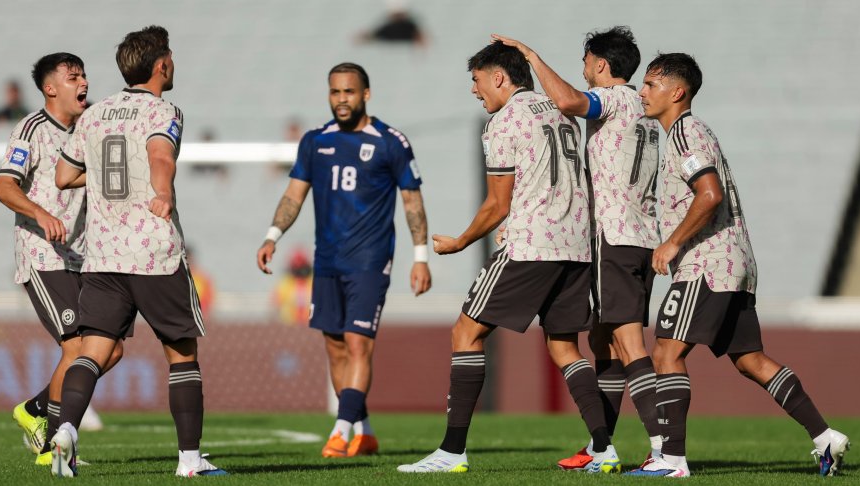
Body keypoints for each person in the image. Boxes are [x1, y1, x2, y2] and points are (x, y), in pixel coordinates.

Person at [626, 53, 849, 478]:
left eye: (651, 85)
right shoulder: (692, 132)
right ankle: (825, 438)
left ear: (678, 92)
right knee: (750, 360)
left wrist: (672, 243)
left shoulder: (684, 134)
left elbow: (708, 195)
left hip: (707, 264)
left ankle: (671, 460)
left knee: (665, 351)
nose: (643, 92)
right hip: (736, 261)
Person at [398, 43, 616, 474]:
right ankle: (604, 449)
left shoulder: (503, 122)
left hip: (531, 245)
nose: (475, 91)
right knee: (563, 347)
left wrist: (460, 241)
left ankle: (451, 452)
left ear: (499, 77)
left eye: (477, 81)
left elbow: (497, 205)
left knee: (465, 332)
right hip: (576, 247)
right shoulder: (561, 113)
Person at [52, 25, 224, 478]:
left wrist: (114, 182)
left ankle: (67, 429)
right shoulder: (163, 110)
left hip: (103, 254)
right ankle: (189, 460)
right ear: (162, 64)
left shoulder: (95, 114)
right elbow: (160, 156)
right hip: (152, 251)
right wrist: (161, 191)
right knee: (181, 353)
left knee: (92, 351)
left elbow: (63, 177)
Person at [494, 27, 663, 469]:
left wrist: (531, 55)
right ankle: (600, 446)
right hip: (641, 236)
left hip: (614, 237)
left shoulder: (618, 98)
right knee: (604, 342)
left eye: (586, 62)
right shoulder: (645, 110)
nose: (583, 69)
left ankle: (666, 451)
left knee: (628, 343)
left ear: (602, 66)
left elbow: (570, 102)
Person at [256, 62, 432, 458]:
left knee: (357, 343)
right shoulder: (315, 141)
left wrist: (420, 257)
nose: (341, 99)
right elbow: (293, 195)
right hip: (328, 260)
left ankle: (339, 430)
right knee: (334, 346)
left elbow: (412, 203)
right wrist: (272, 236)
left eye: (348, 92)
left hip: (370, 260)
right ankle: (364, 431)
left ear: (365, 94)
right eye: (335, 92)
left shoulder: (391, 141)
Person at [0, 53, 125, 466]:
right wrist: (41, 213)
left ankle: (34, 410)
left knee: (111, 349)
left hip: (81, 257)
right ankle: (52, 448)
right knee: (77, 347)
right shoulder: (31, 129)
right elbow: (2, 187)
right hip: (42, 255)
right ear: (51, 88)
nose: (83, 81)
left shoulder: (89, 131)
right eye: (73, 76)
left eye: (84, 74)